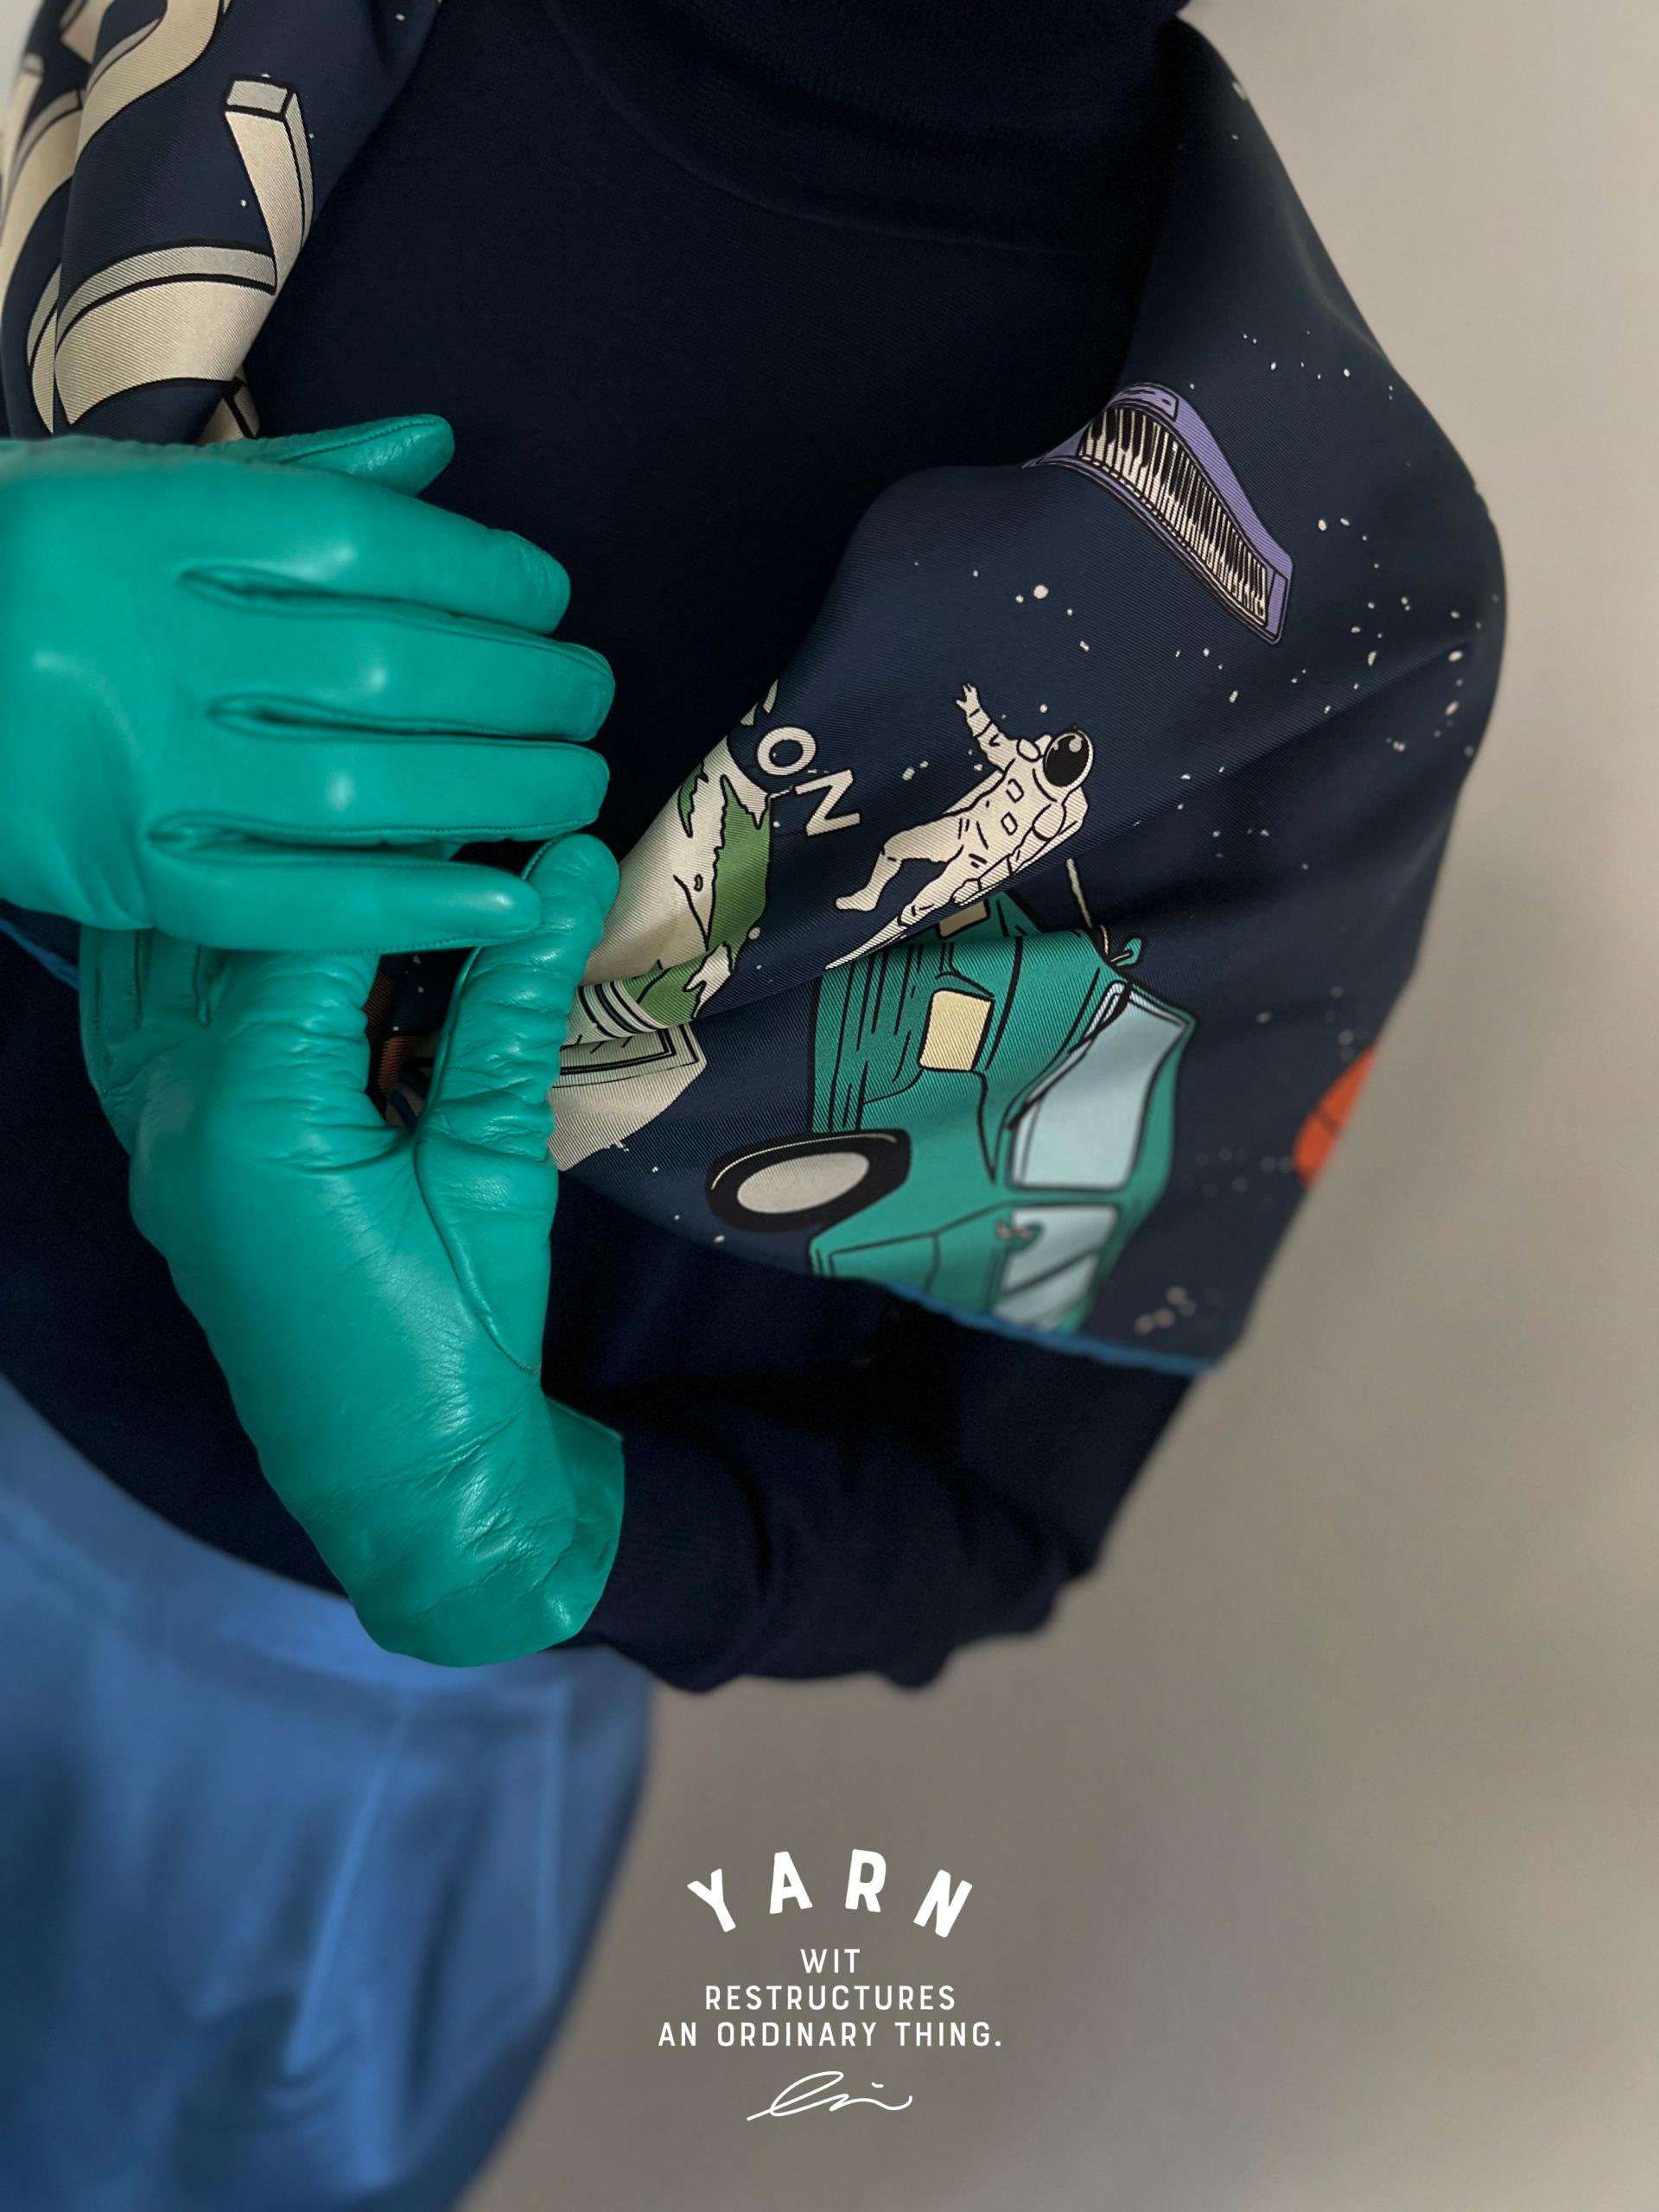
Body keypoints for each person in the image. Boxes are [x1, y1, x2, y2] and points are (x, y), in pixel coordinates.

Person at [0, 3, 1205, 2205]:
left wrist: (537, 1524)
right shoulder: (214, 45)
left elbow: (990, 1498)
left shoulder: (1305, 591)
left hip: (290, 1785)